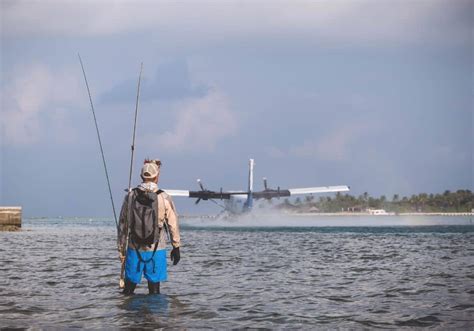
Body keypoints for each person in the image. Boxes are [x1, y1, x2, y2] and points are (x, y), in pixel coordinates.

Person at [117, 159, 181, 295]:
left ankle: (126, 315)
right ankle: (154, 315)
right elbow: (173, 224)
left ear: (141, 176)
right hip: (157, 248)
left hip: (134, 248)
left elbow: (123, 224)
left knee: (128, 290)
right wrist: (176, 246)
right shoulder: (164, 197)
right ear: (157, 177)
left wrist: (121, 249)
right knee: (154, 290)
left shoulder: (130, 196)